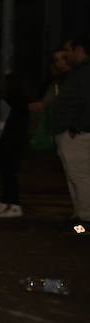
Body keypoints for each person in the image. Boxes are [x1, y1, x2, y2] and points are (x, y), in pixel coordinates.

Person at [49, 37, 90, 229]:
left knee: (80, 175)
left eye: (68, 51)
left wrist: (76, 125)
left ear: (79, 50)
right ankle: (80, 214)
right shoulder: (78, 72)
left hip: (77, 132)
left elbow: (83, 100)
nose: (66, 56)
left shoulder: (83, 72)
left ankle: (86, 218)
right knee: (75, 175)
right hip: (73, 130)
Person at [0, 71, 30, 218]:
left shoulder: (7, 100)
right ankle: (5, 202)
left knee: (8, 174)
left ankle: (14, 205)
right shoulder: (22, 101)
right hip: (16, 141)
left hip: (6, 142)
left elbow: (2, 123)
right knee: (8, 174)